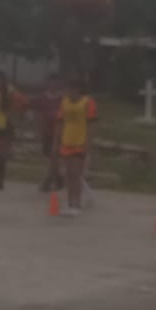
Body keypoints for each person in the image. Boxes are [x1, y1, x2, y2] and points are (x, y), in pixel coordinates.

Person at [56, 76, 98, 217]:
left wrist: (88, 143)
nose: (66, 91)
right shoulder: (64, 102)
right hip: (67, 141)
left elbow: (91, 125)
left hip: (79, 143)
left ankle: (77, 203)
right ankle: (69, 202)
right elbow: (61, 122)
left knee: (76, 174)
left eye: (69, 88)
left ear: (77, 89)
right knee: (67, 175)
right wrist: (58, 141)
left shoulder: (88, 103)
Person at [32, 73, 65, 192]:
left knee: (54, 155)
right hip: (47, 131)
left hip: (59, 131)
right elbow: (37, 115)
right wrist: (38, 131)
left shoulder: (63, 98)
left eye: (55, 82)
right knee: (50, 156)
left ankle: (49, 179)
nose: (52, 85)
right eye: (50, 82)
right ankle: (58, 178)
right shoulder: (42, 98)